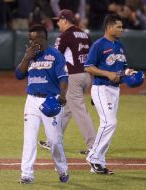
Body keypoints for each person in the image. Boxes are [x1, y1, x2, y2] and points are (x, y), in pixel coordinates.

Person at [15, 24, 69, 184]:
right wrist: (26, 57)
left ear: (43, 38)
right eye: (30, 39)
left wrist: (63, 95)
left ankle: (62, 169)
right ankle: (27, 174)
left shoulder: (55, 55)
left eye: (34, 39)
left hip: (51, 100)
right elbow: (18, 75)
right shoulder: (30, 55)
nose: (32, 42)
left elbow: (64, 78)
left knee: (54, 140)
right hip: (31, 101)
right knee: (29, 138)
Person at [38, 9, 96, 155]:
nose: (57, 23)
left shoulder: (65, 36)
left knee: (79, 111)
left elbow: (56, 57)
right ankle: (52, 140)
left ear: (65, 20)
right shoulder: (85, 35)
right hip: (86, 76)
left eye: (58, 20)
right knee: (66, 109)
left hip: (74, 77)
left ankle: (94, 146)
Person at [84, 14, 136, 174]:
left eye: (121, 27)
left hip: (115, 90)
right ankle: (93, 157)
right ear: (109, 27)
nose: (121, 29)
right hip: (101, 88)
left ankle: (99, 162)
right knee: (110, 122)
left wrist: (129, 72)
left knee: (108, 124)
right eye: (119, 26)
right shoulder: (99, 45)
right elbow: (88, 66)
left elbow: (123, 68)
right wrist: (107, 74)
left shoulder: (120, 46)